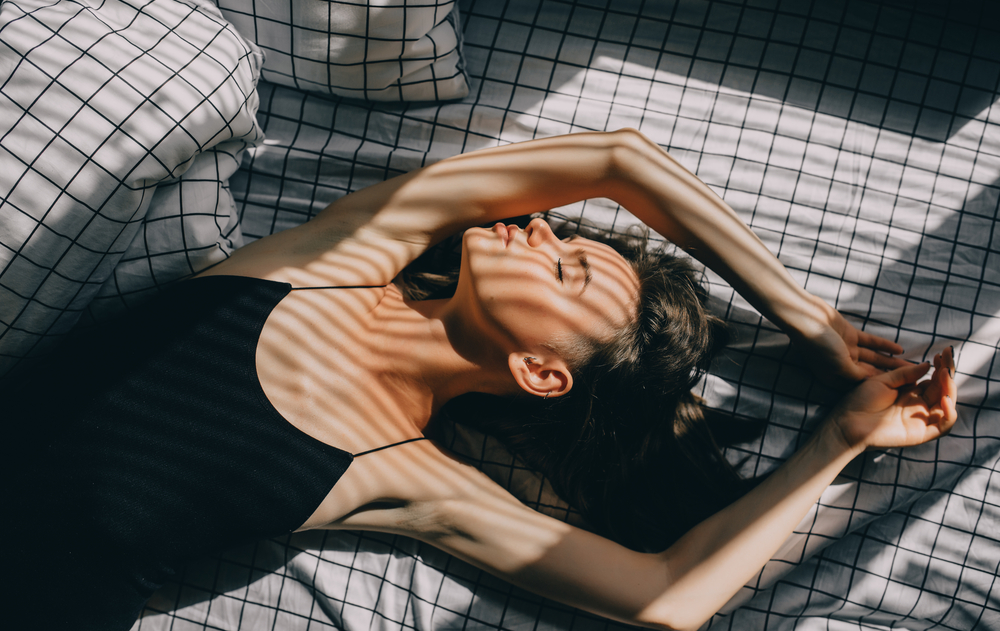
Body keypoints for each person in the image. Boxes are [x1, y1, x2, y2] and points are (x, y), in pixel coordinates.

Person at [6, 129, 956, 631]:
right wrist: (816, 321)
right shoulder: (339, 256)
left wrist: (838, 440)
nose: (543, 226)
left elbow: (670, 594)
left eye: (569, 268)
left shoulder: (404, 475)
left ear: (542, 373)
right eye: (563, 237)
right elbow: (616, 161)